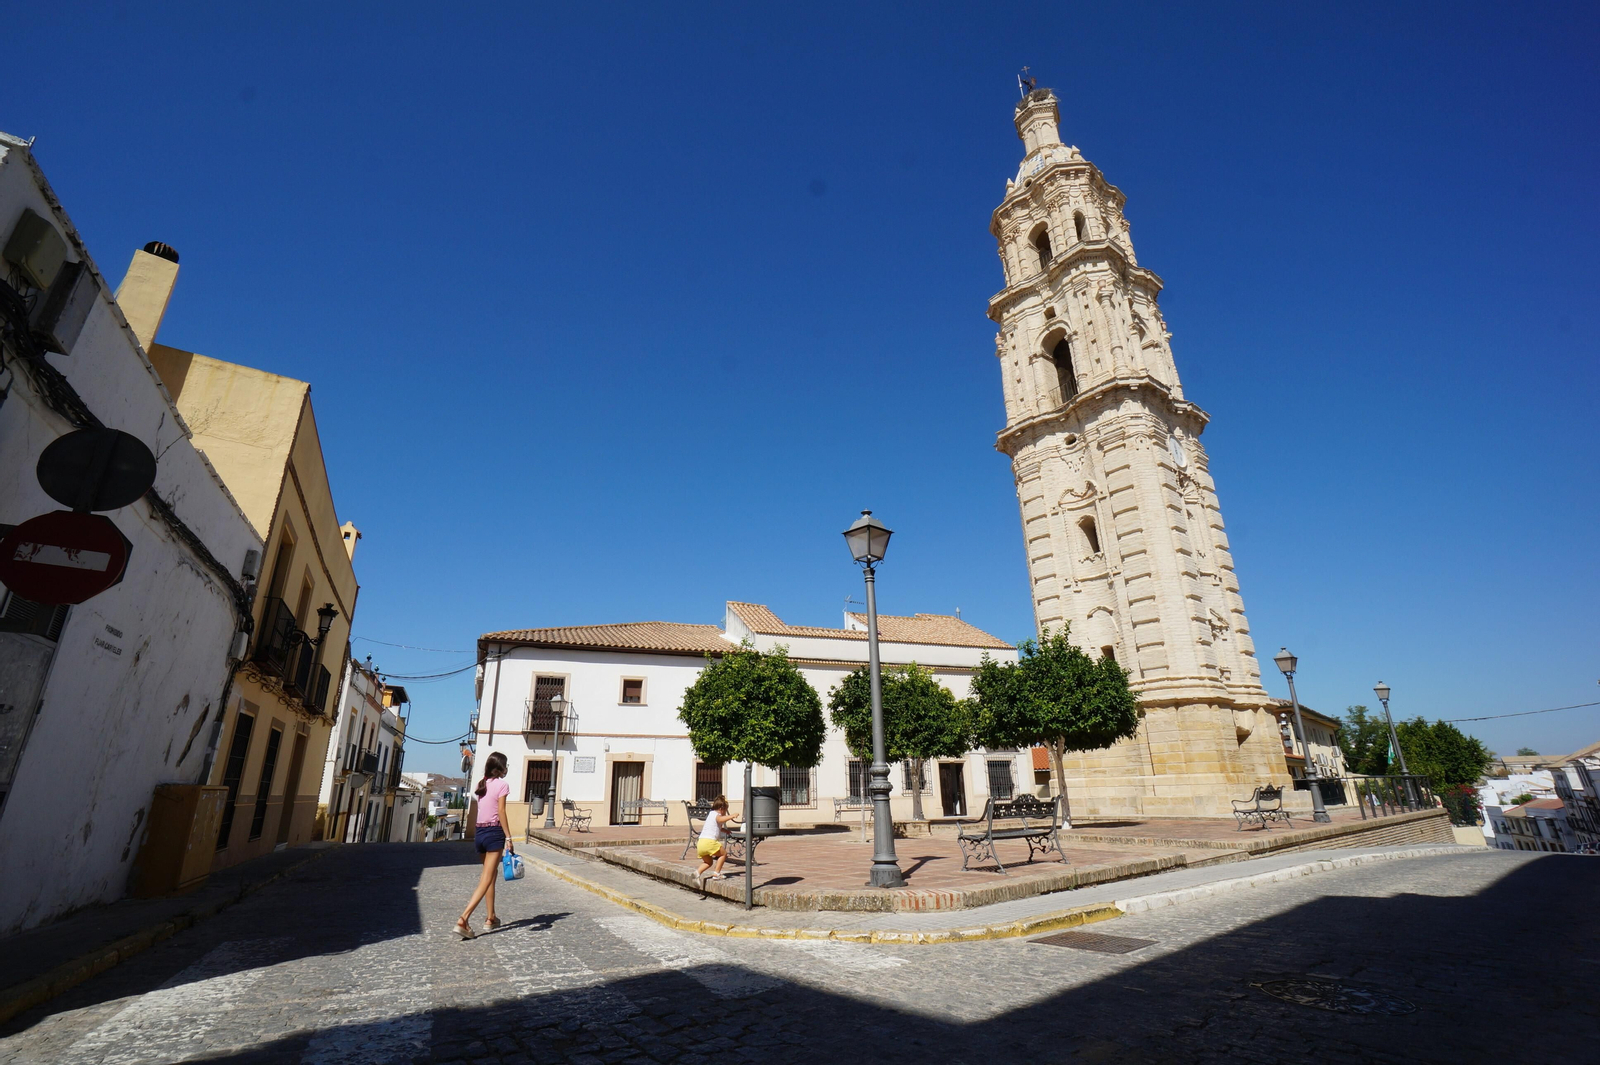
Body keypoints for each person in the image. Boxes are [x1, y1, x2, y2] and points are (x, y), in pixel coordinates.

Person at [456, 751, 512, 939]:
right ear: (501, 768)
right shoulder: (502, 785)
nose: (507, 769)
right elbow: (502, 811)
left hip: (479, 833)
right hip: (494, 833)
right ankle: (463, 918)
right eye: (506, 765)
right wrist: (509, 838)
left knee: (490, 875)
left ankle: (491, 917)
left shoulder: (482, 785)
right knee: (486, 878)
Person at [694, 794, 741, 885]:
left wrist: (724, 830)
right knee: (723, 854)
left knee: (708, 862)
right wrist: (731, 816)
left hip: (701, 843)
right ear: (721, 809)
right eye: (725, 810)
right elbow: (720, 820)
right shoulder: (717, 815)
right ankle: (716, 874)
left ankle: (697, 873)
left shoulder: (711, 814)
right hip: (709, 842)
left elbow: (715, 826)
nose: (725, 812)